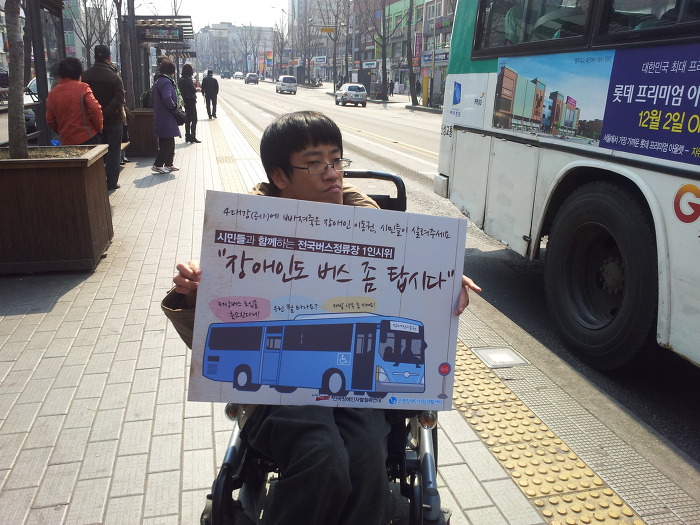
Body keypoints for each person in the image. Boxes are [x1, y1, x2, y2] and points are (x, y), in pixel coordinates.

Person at [162, 111, 481, 525]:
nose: (332, 172)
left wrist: (444, 286)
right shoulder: (247, 232)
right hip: (278, 391)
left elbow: (417, 289)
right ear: (280, 176)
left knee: (366, 460)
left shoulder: (380, 230)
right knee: (322, 456)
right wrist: (194, 294)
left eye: (336, 159)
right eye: (315, 163)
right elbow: (217, 334)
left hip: (358, 389)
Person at [82, 44, 126, 191]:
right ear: (109, 57)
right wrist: (104, 112)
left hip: (92, 122)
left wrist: (97, 114)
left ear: (95, 56)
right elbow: (119, 99)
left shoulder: (85, 76)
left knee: (95, 152)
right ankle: (111, 182)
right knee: (114, 151)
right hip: (113, 120)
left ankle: (97, 181)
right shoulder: (114, 77)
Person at [45, 57, 103, 146]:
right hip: (88, 137)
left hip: (66, 140)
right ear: (79, 74)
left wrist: (62, 131)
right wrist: (99, 128)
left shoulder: (52, 94)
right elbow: (95, 109)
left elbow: (50, 120)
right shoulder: (83, 88)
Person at [151, 58, 181, 174]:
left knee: (168, 140)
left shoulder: (159, 81)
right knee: (167, 141)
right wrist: (174, 107)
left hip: (161, 115)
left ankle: (169, 163)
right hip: (166, 116)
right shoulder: (167, 82)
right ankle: (158, 164)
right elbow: (167, 97)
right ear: (171, 72)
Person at [178, 63, 200, 143]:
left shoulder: (180, 80)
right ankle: (193, 136)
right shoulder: (189, 79)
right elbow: (193, 90)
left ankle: (187, 136)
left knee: (187, 119)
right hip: (191, 100)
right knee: (194, 119)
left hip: (185, 101)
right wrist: (197, 89)